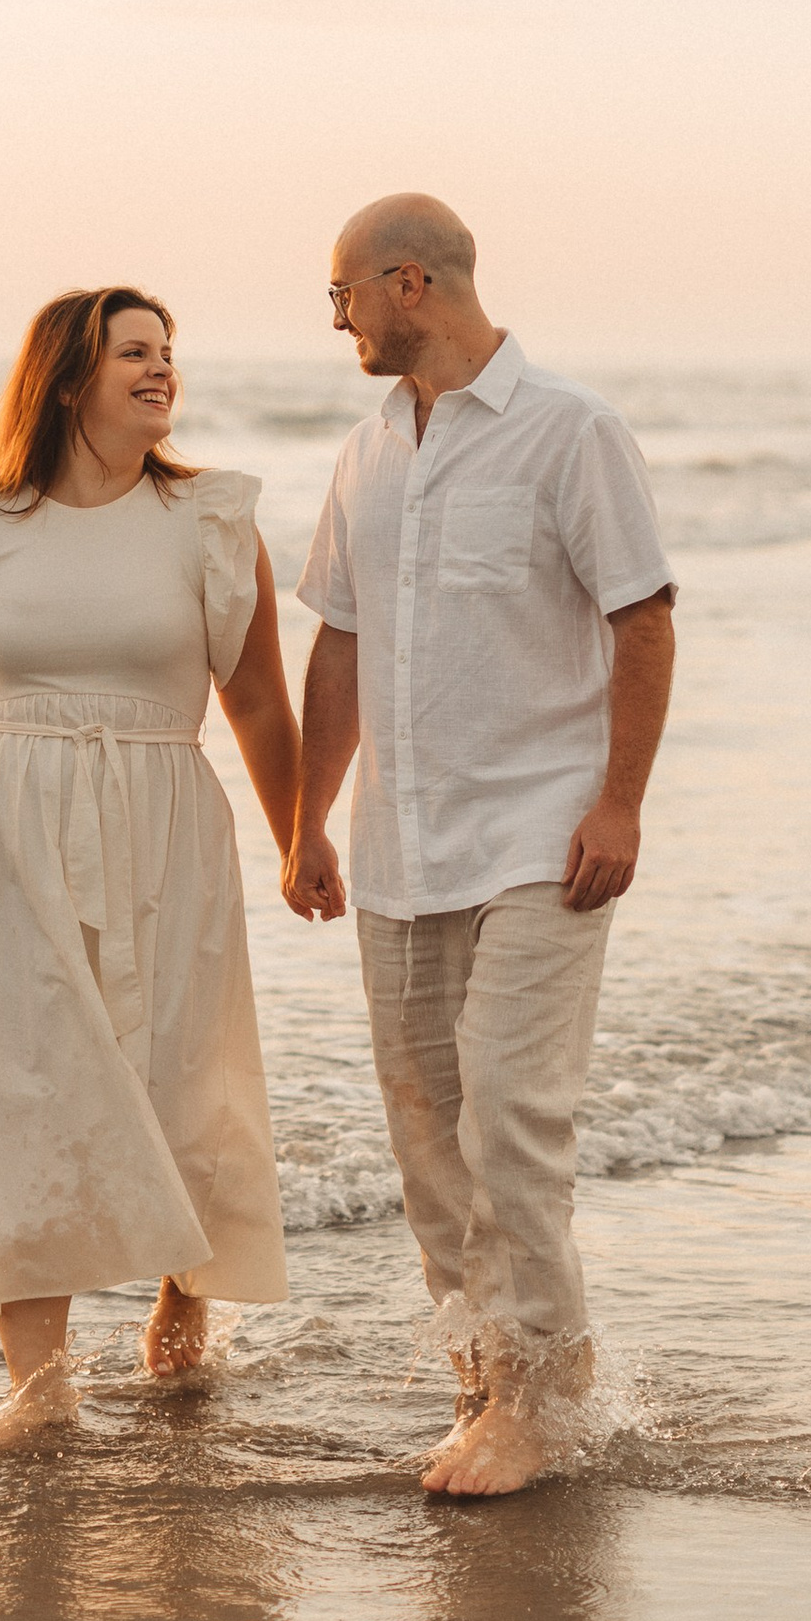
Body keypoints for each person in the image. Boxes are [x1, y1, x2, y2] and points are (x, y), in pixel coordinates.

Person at [284, 195, 677, 1498]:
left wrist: (619, 802)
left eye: (342, 291)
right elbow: (339, 643)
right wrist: (305, 818)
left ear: (410, 283)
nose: (334, 317)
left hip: (541, 836)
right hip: (400, 844)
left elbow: (642, 618)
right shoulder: (366, 454)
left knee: (510, 1116)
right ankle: (488, 1387)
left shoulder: (571, 430)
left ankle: (536, 1401)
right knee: (429, 1144)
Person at [0, 286, 299, 1447]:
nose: (162, 371)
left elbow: (258, 700)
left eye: (167, 353)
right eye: (134, 354)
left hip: (162, 819)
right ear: (69, 377)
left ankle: (186, 1284)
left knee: (173, 1069)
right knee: (20, 1085)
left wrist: (298, 838)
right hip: (1, 824)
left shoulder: (209, 521)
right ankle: (39, 1386)